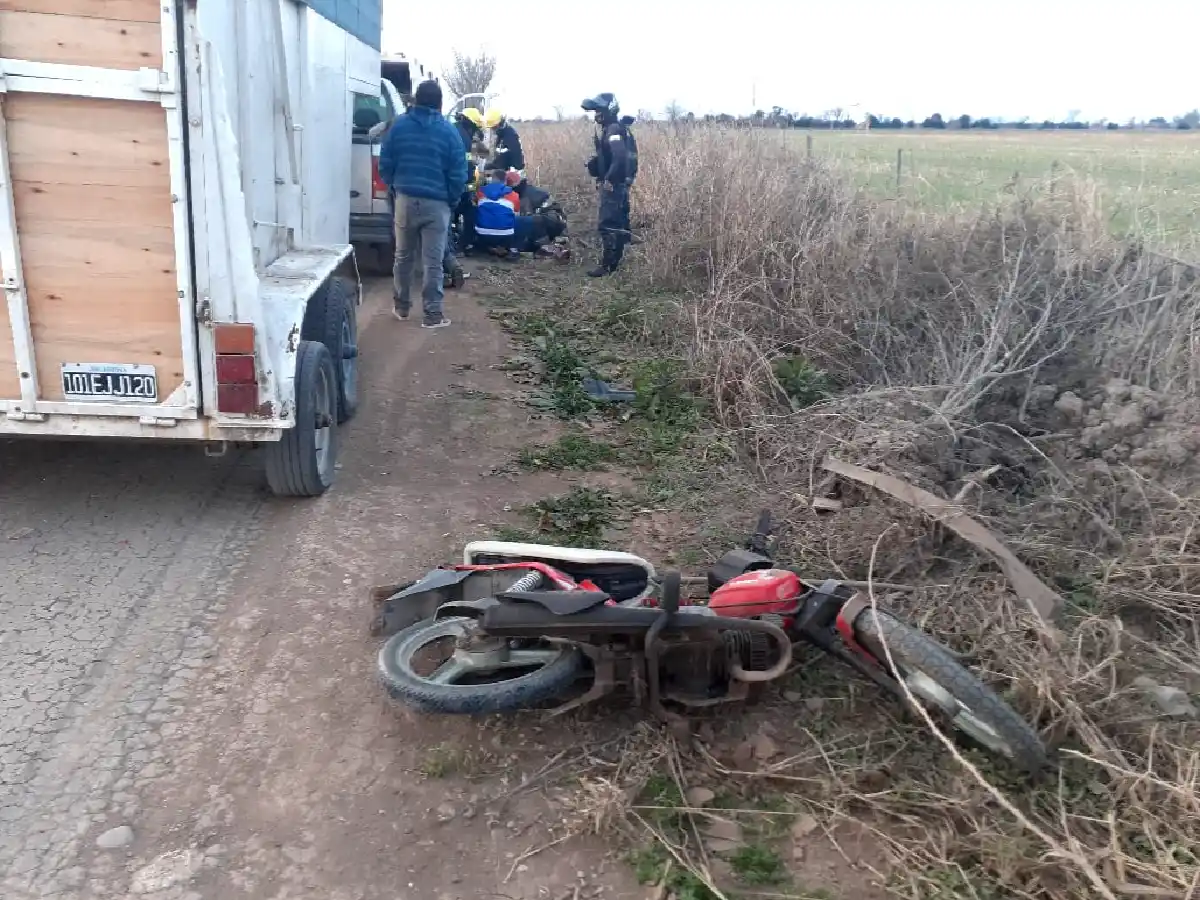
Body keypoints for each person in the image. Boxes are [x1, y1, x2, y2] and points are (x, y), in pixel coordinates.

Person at [379, 79, 465, 328]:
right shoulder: (449, 132)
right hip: (437, 205)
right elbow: (458, 172)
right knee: (433, 261)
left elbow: (386, 163)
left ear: (415, 100)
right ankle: (432, 315)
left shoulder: (398, 127)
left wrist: (395, 186)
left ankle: (402, 307)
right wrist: (451, 199)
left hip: (405, 201)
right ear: (439, 103)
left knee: (403, 256)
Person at [581, 92, 635, 277]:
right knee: (618, 222)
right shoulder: (615, 128)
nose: (596, 114)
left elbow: (619, 156)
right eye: (595, 111)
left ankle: (608, 267)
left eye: (599, 110)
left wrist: (609, 179)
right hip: (620, 183)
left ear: (608, 110)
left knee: (608, 224)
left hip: (615, 184)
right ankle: (616, 261)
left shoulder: (613, 130)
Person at [443, 108, 485, 277]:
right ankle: (460, 247)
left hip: (448, 183)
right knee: (469, 212)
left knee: (450, 217)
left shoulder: (450, 128)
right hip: (461, 183)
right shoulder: (467, 137)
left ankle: (454, 246)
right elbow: (470, 164)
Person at [474, 169, 529, 261]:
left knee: (477, 212)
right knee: (521, 220)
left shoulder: (480, 192)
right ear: (505, 180)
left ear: (492, 179)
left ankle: (478, 246)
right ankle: (513, 249)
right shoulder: (514, 195)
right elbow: (516, 212)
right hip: (505, 236)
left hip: (482, 235)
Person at [483, 109, 525, 174]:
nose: (493, 130)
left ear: (500, 124)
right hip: (502, 171)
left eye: (494, 127)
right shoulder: (501, 135)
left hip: (511, 176)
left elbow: (517, 162)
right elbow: (500, 158)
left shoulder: (511, 136)